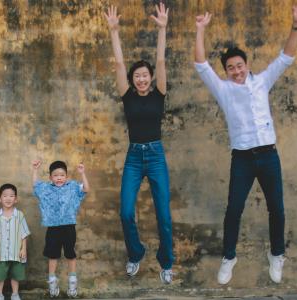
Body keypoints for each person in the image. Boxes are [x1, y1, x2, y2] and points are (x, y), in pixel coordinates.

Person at [194, 5, 297, 285]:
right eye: (230, 68)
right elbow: (200, 65)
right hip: (242, 158)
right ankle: (229, 257)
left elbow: (286, 56)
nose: (236, 71)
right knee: (234, 209)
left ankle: (276, 254)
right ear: (227, 71)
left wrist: (295, 27)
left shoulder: (262, 82)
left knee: (277, 209)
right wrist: (200, 30)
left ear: (247, 65)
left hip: (269, 156)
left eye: (239, 66)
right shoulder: (223, 90)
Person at [103, 3, 175, 283]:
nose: (142, 79)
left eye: (145, 75)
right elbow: (120, 63)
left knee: (164, 216)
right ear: (132, 81)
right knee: (125, 211)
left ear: (150, 78)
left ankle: (166, 263)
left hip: (156, 155)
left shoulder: (159, 92)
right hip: (134, 156)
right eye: (137, 76)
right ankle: (135, 253)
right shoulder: (127, 95)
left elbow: (160, 62)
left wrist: (162, 29)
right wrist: (114, 32)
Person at [32, 160, 90, 298]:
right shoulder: (46, 188)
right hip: (53, 228)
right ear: (51, 177)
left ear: (66, 176)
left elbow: (86, 189)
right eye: (56, 175)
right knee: (53, 255)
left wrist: (82, 174)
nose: (59, 178)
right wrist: (34, 170)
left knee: (70, 254)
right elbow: (36, 186)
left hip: (69, 227)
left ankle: (72, 282)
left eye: (62, 175)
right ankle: (52, 281)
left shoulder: (73, 187)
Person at [0, 184, 31, 300]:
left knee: (15, 275)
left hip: (16, 252)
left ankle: (15, 294)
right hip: (0, 253)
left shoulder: (20, 216)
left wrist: (23, 249)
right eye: (5, 196)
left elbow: (24, 234)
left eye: (11, 196)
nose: (8, 198)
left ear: (16, 199)